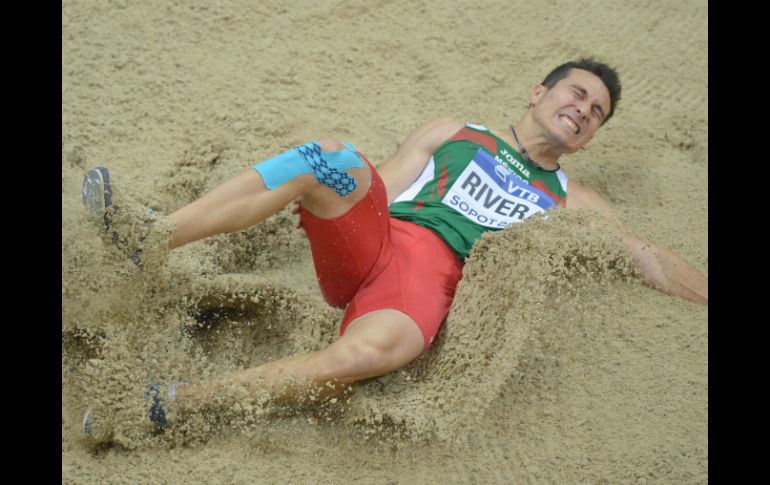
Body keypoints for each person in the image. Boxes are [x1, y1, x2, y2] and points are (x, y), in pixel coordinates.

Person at [80, 58, 707, 436]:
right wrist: (327, 192)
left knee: (392, 348)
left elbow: (644, 254)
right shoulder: (456, 133)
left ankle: (165, 408)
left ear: (590, 139)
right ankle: (155, 235)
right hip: (376, 242)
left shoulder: (573, 198)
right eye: (576, 93)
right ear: (538, 95)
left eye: (596, 112)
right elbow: (378, 182)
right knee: (333, 159)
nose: (583, 109)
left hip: (419, 288)